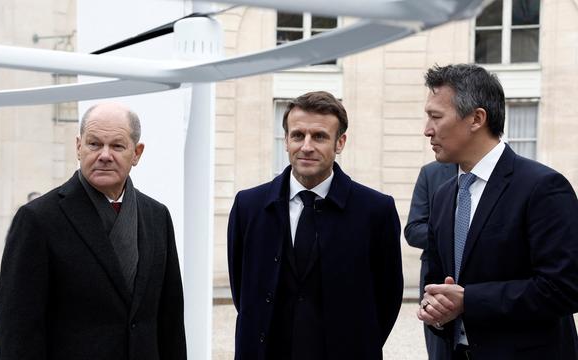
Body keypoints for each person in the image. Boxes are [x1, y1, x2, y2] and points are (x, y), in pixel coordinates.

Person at [0, 103, 186, 360]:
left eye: (117, 146)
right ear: (78, 147)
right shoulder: (38, 219)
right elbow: (19, 329)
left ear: (137, 153)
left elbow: (170, 318)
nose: (104, 155)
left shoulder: (157, 216)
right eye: (94, 144)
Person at [417, 64, 578, 360]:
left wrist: (469, 301)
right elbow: (438, 283)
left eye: (436, 117)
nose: (427, 130)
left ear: (476, 119)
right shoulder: (443, 197)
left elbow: (564, 289)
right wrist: (435, 311)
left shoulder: (543, 187)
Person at [228, 91, 403, 360]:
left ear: (340, 142)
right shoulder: (248, 206)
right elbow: (242, 291)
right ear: (286, 140)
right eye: (298, 135)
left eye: (319, 136)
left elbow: (388, 297)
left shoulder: (376, 210)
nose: (306, 146)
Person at [404, 161, 456, 359]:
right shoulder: (430, 172)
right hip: (438, 280)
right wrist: (459, 231)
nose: (429, 132)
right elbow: (413, 230)